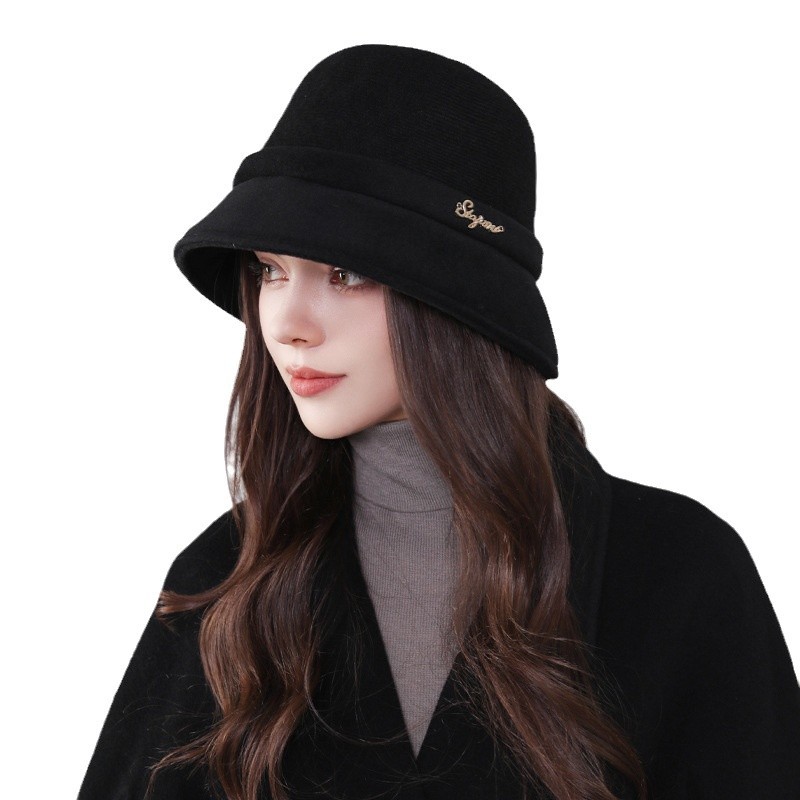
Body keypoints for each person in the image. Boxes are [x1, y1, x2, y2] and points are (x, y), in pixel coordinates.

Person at [77, 44, 800, 800]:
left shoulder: (678, 575)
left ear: (457, 301)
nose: (285, 322)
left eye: (345, 273)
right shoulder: (223, 586)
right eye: (269, 269)